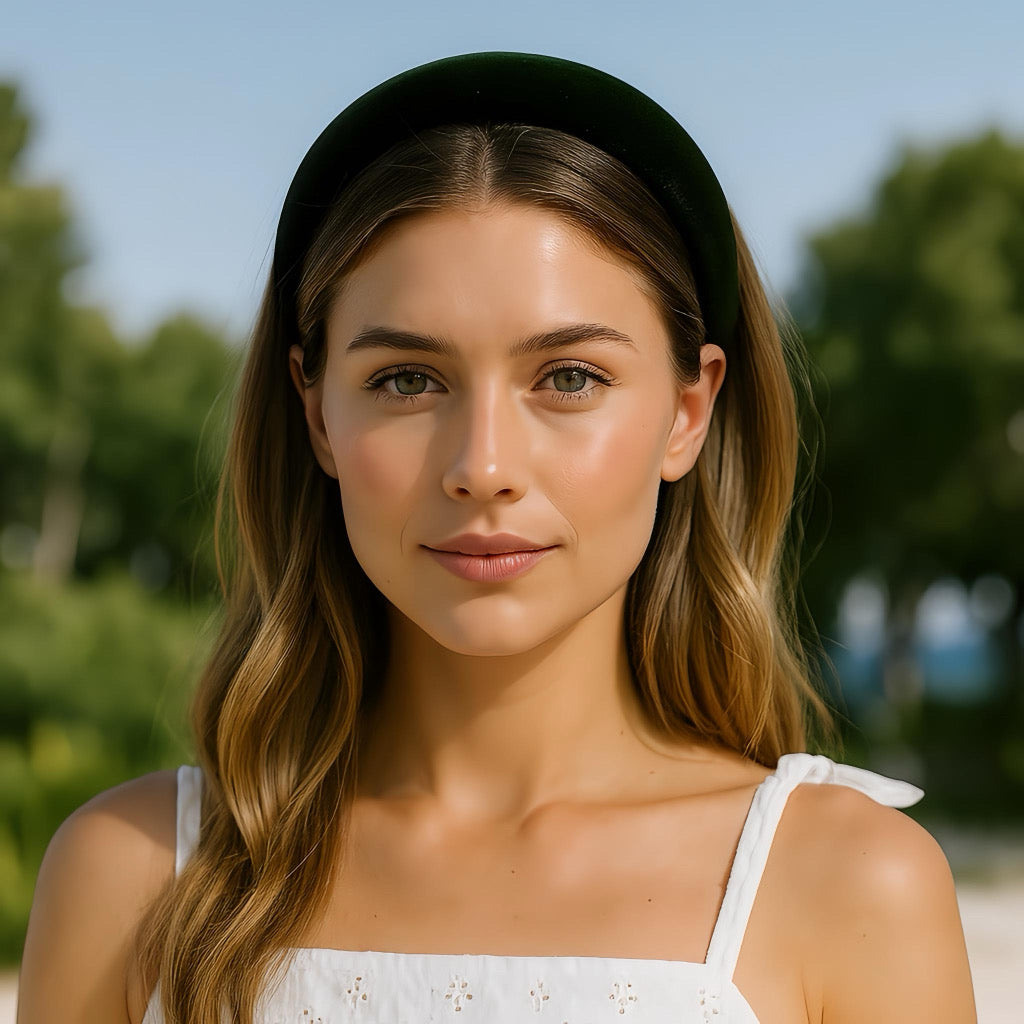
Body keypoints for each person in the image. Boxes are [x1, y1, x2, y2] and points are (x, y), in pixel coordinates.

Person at [18, 52, 977, 1024]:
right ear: (316, 417)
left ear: (688, 412)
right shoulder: (131, 874)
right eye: (406, 379)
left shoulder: (850, 887)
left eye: (567, 378)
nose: (482, 465)